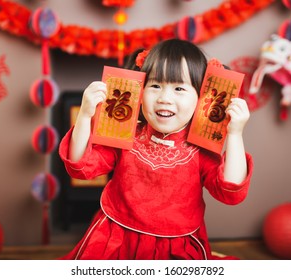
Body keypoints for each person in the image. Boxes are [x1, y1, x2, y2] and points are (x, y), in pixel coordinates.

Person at [58, 38, 253, 260]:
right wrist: (85, 115)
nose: (164, 98)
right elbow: (80, 167)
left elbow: (231, 191)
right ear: (140, 92)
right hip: (115, 240)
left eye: (179, 88)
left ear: (201, 98)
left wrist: (235, 134)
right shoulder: (125, 133)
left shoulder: (200, 149)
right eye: (155, 86)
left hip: (176, 248)